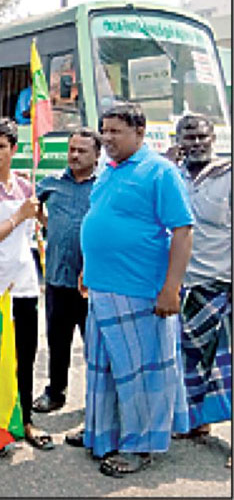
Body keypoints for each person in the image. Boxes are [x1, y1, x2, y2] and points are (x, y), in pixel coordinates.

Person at [79, 102, 194, 477]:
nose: (107, 138)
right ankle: (105, 434)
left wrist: (171, 289)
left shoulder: (161, 172)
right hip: (102, 287)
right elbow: (100, 221)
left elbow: (182, 231)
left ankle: (139, 446)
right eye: (105, 130)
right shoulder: (106, 171)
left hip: (141, 290)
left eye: (116, 131)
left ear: (140, 133)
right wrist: (87, 267)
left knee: (140, 374)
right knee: (106, 370)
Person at [0, 117, 54, 456]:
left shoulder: (25, 185)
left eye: (1, 146)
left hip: (26, 285)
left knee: (25, 355)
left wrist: (41, 213)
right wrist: (19, 215)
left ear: (14, 149)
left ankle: (24, 419)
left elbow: (42, 227)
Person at [171, 115, 231, 467]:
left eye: (201, 136)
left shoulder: (228, 176)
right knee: (189, 359)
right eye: (188, 136)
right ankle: (196, 423)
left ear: (213, 138)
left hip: (222, 283)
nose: (195, 143)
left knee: (229, 366)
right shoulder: (173, 176)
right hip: (184, 286)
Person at [32, 128, 101, 418]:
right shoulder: (51, 183)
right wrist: (45, 222)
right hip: (58, 280)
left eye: (82, 150)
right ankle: (55, 392)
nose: (74, 155)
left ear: (97, 155)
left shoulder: (104, 186)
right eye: (71, 149)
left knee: (96, 347)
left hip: (94, 283)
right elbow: (31, 207)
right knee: (58, 343)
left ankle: (98, 401)